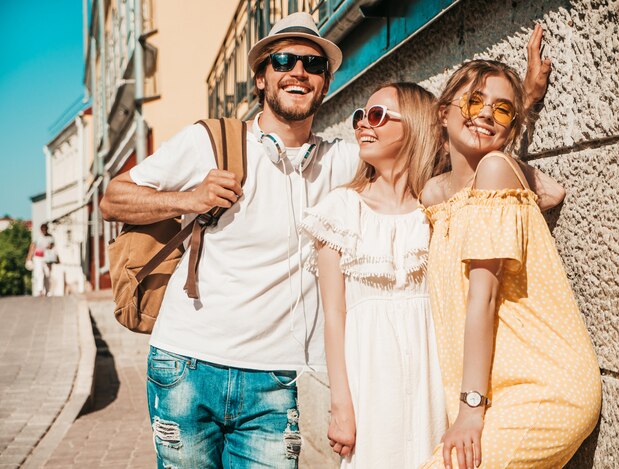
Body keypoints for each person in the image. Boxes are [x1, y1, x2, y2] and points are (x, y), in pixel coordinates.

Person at [100, 10, 558, 467]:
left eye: (313, 65)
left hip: (274, 382)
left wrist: (524, 101)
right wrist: (189, 197)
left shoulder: (343, 160)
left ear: (325, 83)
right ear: (260, 78)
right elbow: (113, 198)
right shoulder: (212, 141)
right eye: (283, 61)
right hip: (188, 363)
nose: (298, 72)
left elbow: (452, 136)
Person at [419, 59, 601, 469]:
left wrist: (468, 410)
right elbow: (546, 192)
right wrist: (523, 99)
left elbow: (481, 300)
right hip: (493, 393)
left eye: (503, 109)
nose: (486, 113)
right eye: (474, 101)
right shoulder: (436, 196)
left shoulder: (497, 170)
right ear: (443, 112)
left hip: (546, 386)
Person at [300, 82, 448, 468]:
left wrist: (526, 104)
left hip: (435, 382)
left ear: (414, 126)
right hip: (371, 384)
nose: (364, 125)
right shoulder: (340, 211)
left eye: (378, 115)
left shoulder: (437, 207)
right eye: (360, 116)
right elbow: (334, 317)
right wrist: (340, 406)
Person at [26, 223, 55, 297]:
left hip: (46, 258)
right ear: (41, 230)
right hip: (38, 258)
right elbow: (32, 247)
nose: (44, 231)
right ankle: (40, 290)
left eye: (45, 230)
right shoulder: (37, 237)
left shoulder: (50, 237)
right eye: (43, 230)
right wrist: (29, 259)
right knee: (40, 273)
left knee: (47, 274)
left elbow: (52, 247)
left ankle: (47, 290)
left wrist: (49, 247)